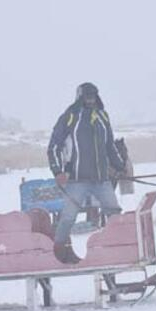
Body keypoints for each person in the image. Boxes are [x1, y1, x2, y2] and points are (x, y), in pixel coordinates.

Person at [47, 82, 126, 263]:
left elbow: (110, 146)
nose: (90, 99)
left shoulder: (102, 116)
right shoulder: (70, 117)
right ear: (80, 97)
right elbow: (53, 147)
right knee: (68, 218)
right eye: (87, 96)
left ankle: (119, 248)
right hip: (76, 180)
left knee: (114, 212)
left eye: (93, 95)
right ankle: (55, 253)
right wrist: (58, 171)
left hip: (101, 179)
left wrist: (120, 166)